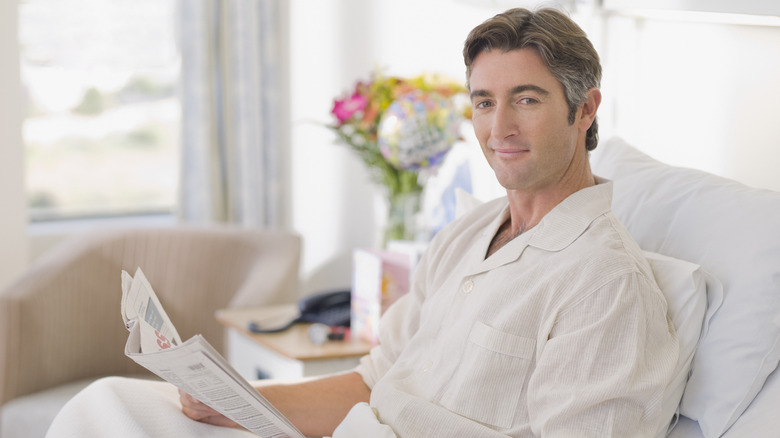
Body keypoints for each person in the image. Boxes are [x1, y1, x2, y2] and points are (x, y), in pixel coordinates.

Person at [47, 7, 680, 438]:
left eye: (527, 99)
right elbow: (376, 378)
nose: (500, 127)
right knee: (108, 402)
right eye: (485, 102)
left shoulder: (604, 284)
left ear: (585, 108)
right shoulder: (467, 235)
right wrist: (243, 401)